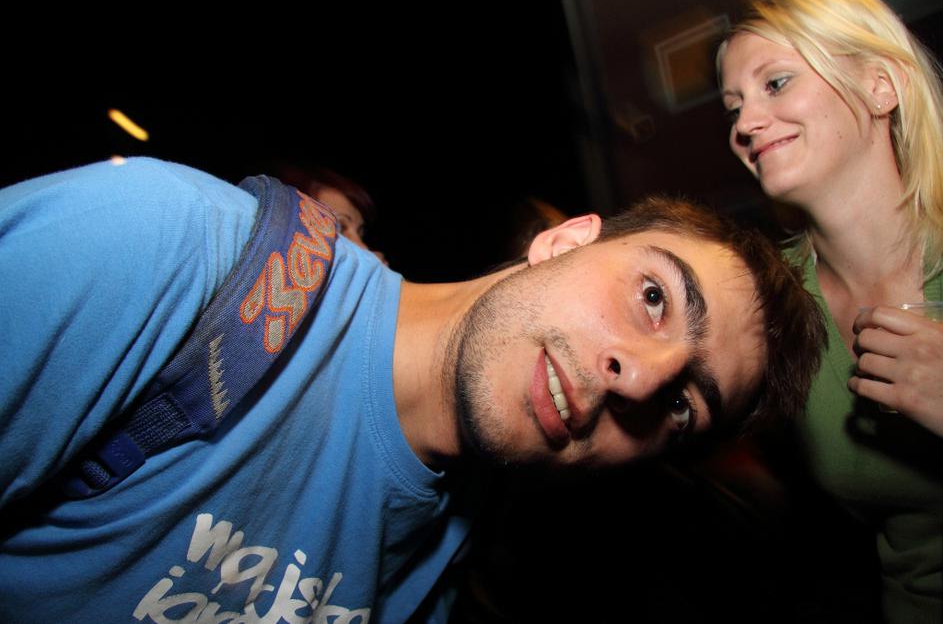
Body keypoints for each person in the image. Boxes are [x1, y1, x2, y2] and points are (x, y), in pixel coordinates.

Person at [0, 158, 824, 622]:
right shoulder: (165, 247)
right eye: (653, 296)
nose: (638, 376)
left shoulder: (450, 541)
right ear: (564, 240)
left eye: (681, 406)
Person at [718, 0, 943, 620]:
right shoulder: (770, 302)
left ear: (880, 86)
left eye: (775, 83)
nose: (746, 124)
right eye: (733, 107)